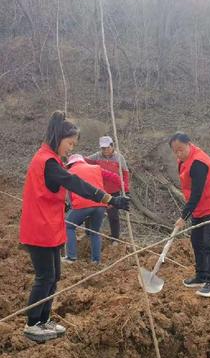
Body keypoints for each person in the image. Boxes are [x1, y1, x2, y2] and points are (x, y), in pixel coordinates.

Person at [19, 111, 130, 343]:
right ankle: (32, 324)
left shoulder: (52, 159)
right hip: (39, 228)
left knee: (55, 275)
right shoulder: (47, 162)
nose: (71, 148)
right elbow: (75, 183)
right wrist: (109, 199)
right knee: (45, 276)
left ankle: (44, 319)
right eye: (70, 143)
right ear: (59, 138)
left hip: (49, 226)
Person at [169, 133, 210, 298]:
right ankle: (201, 276)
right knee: (196, 240)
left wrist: (183, 217)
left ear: (189, 144)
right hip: (200, 207)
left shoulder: (198, 164)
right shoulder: (184, 160)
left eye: (180, 149)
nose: (178, 154)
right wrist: (190, 212)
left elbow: (196, 194)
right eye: (175, 151)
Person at [64, 154, 122, 264]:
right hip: (100, 204)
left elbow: (69, 194)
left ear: (70, 164)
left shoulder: (70, 172)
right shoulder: (96, 168)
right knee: (95, 232)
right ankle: (96, 260)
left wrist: (70, 206)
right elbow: (114, 176)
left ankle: (71, 257)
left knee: (69, 226)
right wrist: (124, 188)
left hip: (82, 204)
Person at [86, 136, 129, 242]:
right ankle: (88, 234)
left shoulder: (119, 158)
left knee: (113, 216)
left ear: (112, 146)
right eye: (103, 148)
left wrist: (126, 188)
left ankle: (115, 238)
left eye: (107, 148)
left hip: (114, 191)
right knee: (91, 212)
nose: (105, 150)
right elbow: (84, 161)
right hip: (99, 190)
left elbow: (125, 173)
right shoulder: (97, 156)